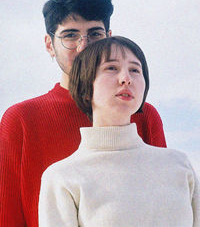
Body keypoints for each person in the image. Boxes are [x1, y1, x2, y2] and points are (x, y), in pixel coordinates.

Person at [0, 0, 166, 227]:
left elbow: (167, 205)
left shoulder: (142, 114)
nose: (84, 46)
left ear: (109, 38)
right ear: (49, 45)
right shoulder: (21, 119)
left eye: (95, 34)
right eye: (70, 35)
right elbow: (7, 215)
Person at [39, 36, 200, 227]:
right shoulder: (63, 177)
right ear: (85, 87)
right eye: (111, 68)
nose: (126, 79)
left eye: (135, 70)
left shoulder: (178, 166)